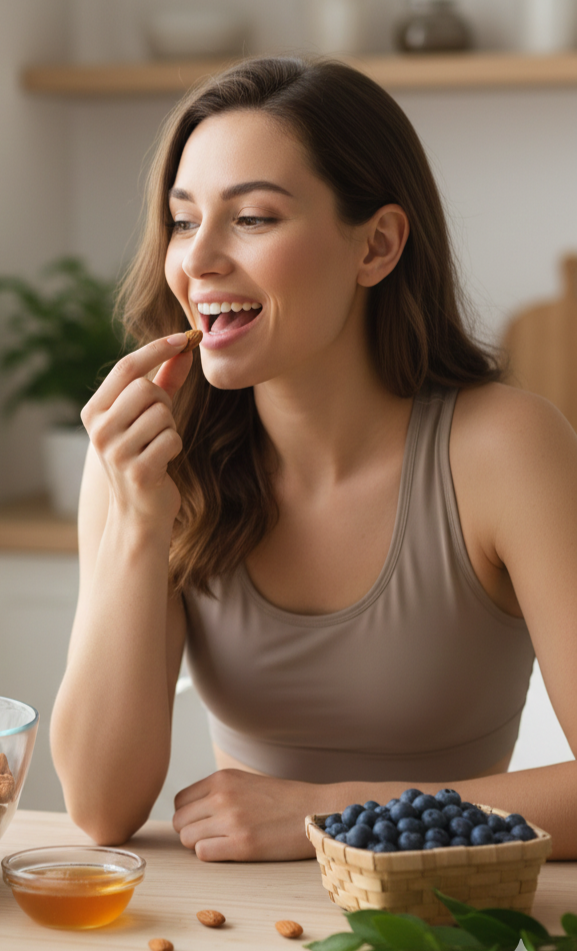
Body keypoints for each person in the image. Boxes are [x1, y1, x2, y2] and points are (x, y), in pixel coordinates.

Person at [49, 57, 577, 862]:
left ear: (376, 245)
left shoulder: (505, 449)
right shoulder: (147, 458)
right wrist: (134, 522)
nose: (197, 261)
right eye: (184, 221)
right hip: (236, 919)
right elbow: (98, 807)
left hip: (447, 920)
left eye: (252, 218)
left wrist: (329, 814)